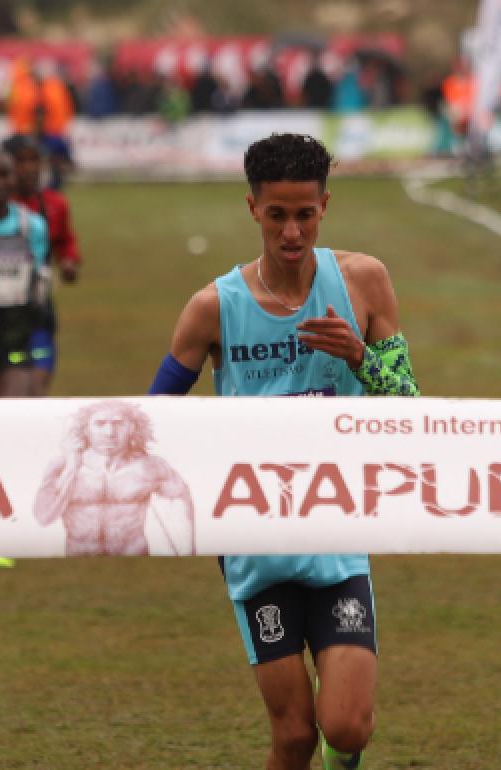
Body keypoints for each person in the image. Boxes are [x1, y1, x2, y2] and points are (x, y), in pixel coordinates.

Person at [148, 133, 420, 770]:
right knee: (295, 737)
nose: (292, 232)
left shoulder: (363, 284)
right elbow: (151, 418)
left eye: (305, 215)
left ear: (325, 205)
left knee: (347, 728)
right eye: (277, 216)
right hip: (253, 539)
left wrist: (358, 356)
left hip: (335, 528)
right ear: (252, 210)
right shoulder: (214, 308)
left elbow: (410, 407)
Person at [32, 400, 194, 555]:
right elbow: (44, 517)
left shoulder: (150, 467)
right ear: (85, 429)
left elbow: (182, 501)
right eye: (100, 424)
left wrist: (188, 550)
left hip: (135, 561)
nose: (110, 433)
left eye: (118, 423)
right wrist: (72, 467)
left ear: (131, 428)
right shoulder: (61, 466)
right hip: (79, 559)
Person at [3, 133, 81, 397]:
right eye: (21, 161)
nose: (30, 168)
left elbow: (64, 241)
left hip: (37, 312)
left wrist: (69, 261)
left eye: (35, 160)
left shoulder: (54, 205)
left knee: (36, 390)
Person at [0, 147, 50, 398]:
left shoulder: (32, 226)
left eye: (4, 175)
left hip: (12, 344)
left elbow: (40, 280)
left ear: (15, 178)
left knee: (5, 421)